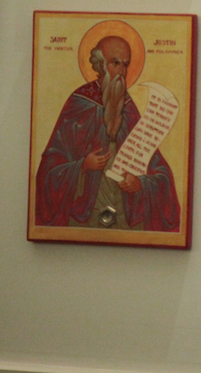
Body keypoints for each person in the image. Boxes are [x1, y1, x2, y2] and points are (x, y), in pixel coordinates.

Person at [35, 35, 181, 231]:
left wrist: (141, 183)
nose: (121, 72)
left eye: (125, 65)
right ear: (100, 65)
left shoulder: (128, 108)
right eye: (115, 63)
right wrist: (82, 166)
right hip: (85, 218)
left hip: (124, 218)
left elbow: (157, 168)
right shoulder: (79, 104)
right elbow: (49, 171)